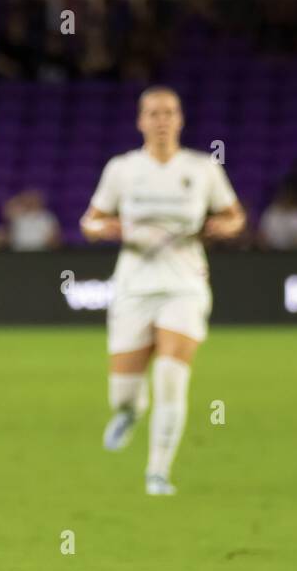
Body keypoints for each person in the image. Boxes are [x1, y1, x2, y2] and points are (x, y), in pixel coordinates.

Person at [80, 86, 245, 496]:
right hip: (134, 287)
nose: (161, 120)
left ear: (180, 119)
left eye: (169, 112)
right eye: (153, 113)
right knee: (125, 392)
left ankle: (158, 471)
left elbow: (234, 214)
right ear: (140, 121)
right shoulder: (122, 169)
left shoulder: (203, 168)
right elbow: (90, 220)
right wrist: (107, 229)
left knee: (171, 375)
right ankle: (129, 412)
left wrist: (227, 227)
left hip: (184, 286)